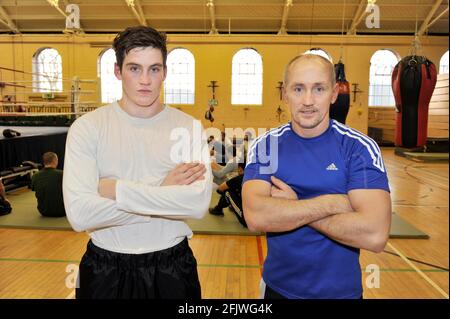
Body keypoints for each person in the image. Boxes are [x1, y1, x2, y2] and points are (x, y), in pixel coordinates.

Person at [63, 26, 212, 299]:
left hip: (172, 269)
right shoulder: (87, 128)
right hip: (104, 268)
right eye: (134, 69)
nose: (145, 80)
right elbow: (80, 215)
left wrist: (116, 190)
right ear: (118, 71)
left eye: (154, 69)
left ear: (165, 73)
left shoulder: (188, 128)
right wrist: (164, 189)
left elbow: (197, 205)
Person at [242, 54, 392, 299]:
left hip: (341, 294)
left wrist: (293, 206)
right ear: (284, 94)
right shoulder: (266, 146)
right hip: (278, 290)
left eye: (319, 89)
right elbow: (256, 217)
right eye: (298, 89)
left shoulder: (359, 148)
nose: (308, 101)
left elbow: (374, 235)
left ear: (334, 94)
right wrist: (333, 203)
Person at [209, 162, 246, 227]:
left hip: (247, 220)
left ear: (240, 168)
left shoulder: (239, 178)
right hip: (260, 218)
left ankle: (218, 209)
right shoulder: (256, 178)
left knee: (227, 192)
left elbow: (219, 189)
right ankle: (232, 205)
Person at [31, 152, 66, 217]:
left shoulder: (35, 176)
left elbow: (34, 189)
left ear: (44, 162)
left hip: (43, 211)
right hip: (62, 211)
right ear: (55, 161)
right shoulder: (62, 174)